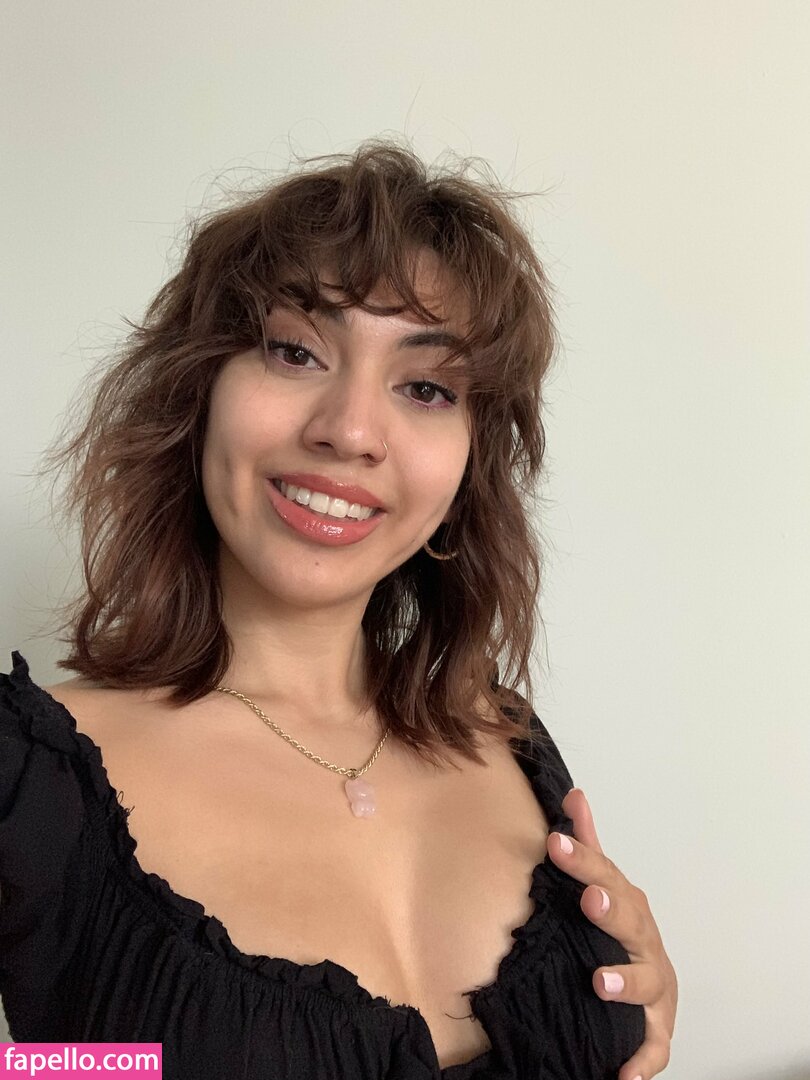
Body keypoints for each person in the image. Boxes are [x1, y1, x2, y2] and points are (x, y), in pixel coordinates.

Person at [0, 143, 676, 1079]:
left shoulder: (509, 740)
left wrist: (624, 1012)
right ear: (198, 392)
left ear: (470, 464)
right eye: (294, 350)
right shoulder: (26, 774)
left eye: (427, 387)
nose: (350, 430)